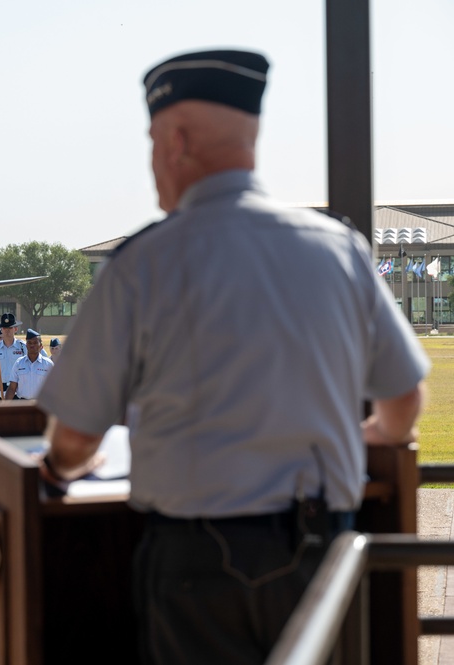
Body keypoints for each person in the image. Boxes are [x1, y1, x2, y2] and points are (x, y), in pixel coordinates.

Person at [36, 49, 430, 665]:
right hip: (323, 550)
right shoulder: (340, 249)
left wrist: (59, 468)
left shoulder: (142, 263)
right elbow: (403, 403)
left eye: (151, 142)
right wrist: (370, 435)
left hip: (198, 565)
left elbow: (77, 435)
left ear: (177, 140)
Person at [0, 313, 26, 400]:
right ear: (1, 329)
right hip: (0, 387)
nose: (7, 330)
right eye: (4, 328)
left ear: (15, 329)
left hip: (18, 388)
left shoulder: (23, 347)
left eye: (10, 328)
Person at [5, 330, 53, 400]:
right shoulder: (19, 363)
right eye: (29, 343)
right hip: (23, 405)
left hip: (41, 404)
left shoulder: (48, 364)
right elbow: (12, 388)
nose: (32, 345)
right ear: (26, 345)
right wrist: (5, 406)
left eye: (35, 343)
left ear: (41, 346)